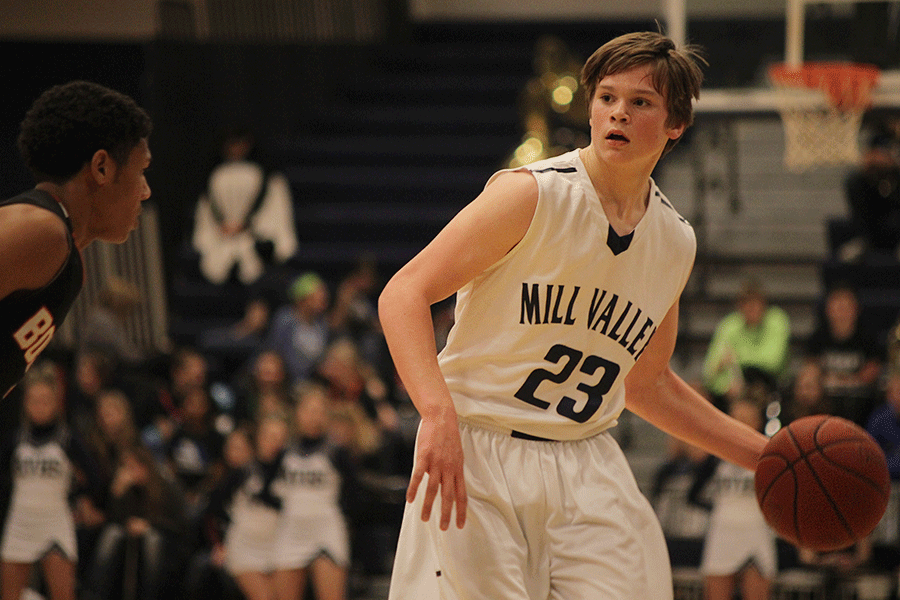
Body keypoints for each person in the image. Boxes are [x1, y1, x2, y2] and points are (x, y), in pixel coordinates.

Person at [377, 31, 769, 600]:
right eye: (607, 97)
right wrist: (435, 413)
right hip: (479, 450)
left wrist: (765, 455)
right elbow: (403, 293)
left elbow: (647, 382)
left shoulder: (674, 242)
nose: (619, 113)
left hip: (588, 461)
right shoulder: (529, 196)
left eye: (641, 103)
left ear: (675, 124)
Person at [0, 80, 152, 398]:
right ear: (101, 167)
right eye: (141, 171)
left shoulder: (63, 251)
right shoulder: (41, 229)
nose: (146, 190)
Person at [0, 362, 102, 600]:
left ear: (56, 402)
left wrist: (75, 499)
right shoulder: (16, 439)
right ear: (25, 403)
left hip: (54, 522)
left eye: (45, 400)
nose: (39, 406)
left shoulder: (67, 439)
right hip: (20, 522)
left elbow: (95, 479)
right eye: (34, 400)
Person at [192, 126, 298, 286]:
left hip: (254, 238)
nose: (236, 149)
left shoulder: (266, 178)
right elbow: (209, 209)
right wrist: (224, 225)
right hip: (223, 235)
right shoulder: (217, 176)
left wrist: (246, 225)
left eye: (240, 143)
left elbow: (271, 212)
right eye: (232, 144)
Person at [695, 395, 777, 600]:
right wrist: (717, 509)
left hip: (756, 530)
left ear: (757, 422)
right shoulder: (715, 455)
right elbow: (693, 494)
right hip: (723, 530)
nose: (740, 423)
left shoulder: (769, 455)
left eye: (746, 418)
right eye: (736, 418)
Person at [702, 278, 791, 409]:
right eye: (746, 303)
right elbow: (709, 371)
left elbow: (773, 363)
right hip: (733, 392)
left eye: (755, 302)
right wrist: (725, 387)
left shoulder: (777, 320)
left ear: (764, 303)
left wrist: (734, 360)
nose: (751, 308)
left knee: (756, 389)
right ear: (739, 306)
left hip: (769, 388)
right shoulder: (729, 325)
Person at [804, 282, 883, 427]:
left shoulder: (868, 338)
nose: (841, 312)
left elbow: (872, 372)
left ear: (856, 309)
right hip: (825, 402)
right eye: (837, 307)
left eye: (846, 307)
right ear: (828, 309)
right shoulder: (817, 337)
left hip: (861, 403)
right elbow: (811, 371)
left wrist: (840, 380)